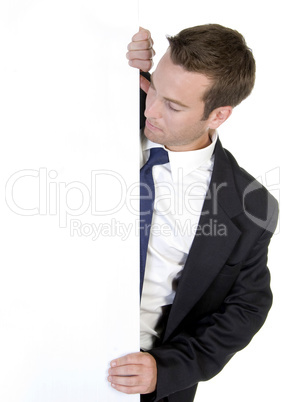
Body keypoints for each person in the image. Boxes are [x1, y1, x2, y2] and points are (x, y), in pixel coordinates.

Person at [107, 25, 278, 402]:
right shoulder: (111, 112)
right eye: (155, 89)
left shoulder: (252, 208)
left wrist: (167, 369)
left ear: (218, 115)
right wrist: (109, 50)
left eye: (174, 105)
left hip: (136, 378)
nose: (152, 109)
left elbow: (247, 308)